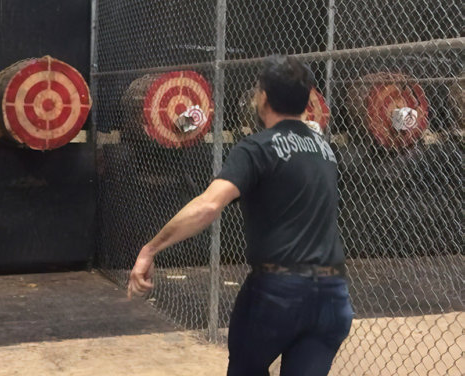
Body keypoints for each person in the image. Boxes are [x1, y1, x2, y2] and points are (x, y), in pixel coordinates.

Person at [128, 55, 353, 375]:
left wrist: (150, 249)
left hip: (278, 293)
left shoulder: (257, 147)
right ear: (307, 101)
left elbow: (208, 206)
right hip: (333, 295)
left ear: (263, 97)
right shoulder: (324, 149)